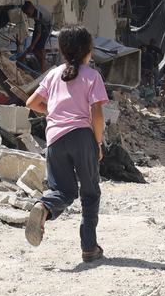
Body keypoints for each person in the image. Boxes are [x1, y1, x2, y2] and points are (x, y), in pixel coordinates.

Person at [23, 25, 109, 263]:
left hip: (55, 139)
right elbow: (97, 115)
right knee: (90, 193)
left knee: (64, 191)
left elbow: (31, 102)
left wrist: (54, 112)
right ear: (88, 50)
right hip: (82, 137)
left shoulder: (52, 74)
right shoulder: (92, 76)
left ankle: (45, 206)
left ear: (62, 50)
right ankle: (89, 248)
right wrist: (98, 143)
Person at [17, 1, 53, 72]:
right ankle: (41, 65)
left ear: (31, 8)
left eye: (28, 13)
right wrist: (32, 46)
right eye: (26, 14)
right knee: (34, 49)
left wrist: (32, 45)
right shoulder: (33, 10)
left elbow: (39, 33)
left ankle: (43, 69)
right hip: (40, 23)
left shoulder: (38, 14)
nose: (28, 16)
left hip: (47, 25)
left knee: (39, 47)